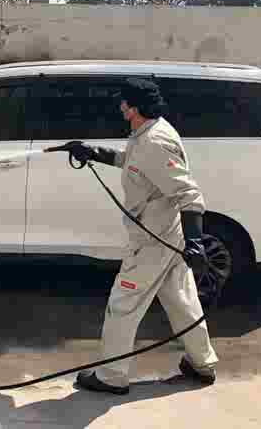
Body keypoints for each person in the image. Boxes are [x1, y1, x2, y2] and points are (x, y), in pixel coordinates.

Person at [68, 77, 219, 395]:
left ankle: (111, 375)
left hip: (153, 242)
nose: (119, 105)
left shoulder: (154, 141)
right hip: (166, 237)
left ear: (133, 107)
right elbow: (134, 163)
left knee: (122, 304)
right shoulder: (147, 133)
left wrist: (195, 242)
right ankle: (202, 363)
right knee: (182, 302)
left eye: (123, 101)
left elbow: (189, 194)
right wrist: (93, 152)